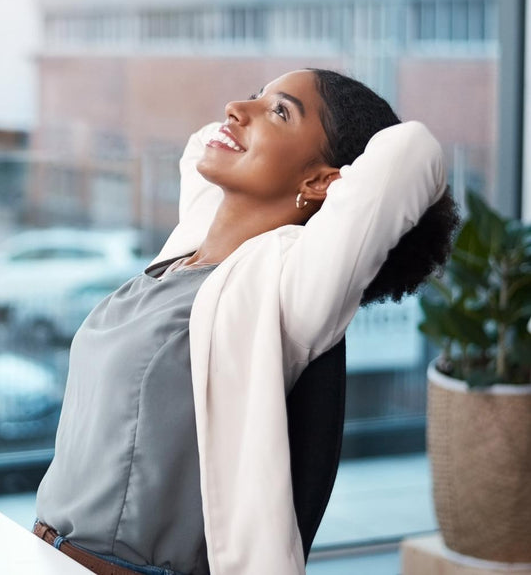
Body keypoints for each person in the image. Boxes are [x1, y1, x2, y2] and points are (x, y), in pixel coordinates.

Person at [33, 69, 459, 575]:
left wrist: (328, 188)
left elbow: (411, 151)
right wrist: (260, 126)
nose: (236, 108)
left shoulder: (284, 289)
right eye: (255, 97)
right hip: (39, 550)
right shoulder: (182, 256)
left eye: (280, 111)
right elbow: (200, 146)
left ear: (321, 181)